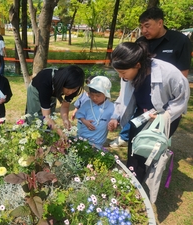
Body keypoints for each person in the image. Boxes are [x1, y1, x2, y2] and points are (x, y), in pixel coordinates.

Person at [109, 6, 192, 148]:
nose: (144, 30)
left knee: (152, 144)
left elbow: (182, 76)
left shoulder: (180, 41)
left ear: (160, 23)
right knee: (136, 135)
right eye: (141, 26)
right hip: (143, 93)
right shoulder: (141, 41)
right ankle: (127, 138)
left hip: (166, 95)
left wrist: (170, 111)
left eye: (147, 26)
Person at [108, 42, 190, 183]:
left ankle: (146, 180)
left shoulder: (168, 73)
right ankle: (133, 177)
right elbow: (124, 97)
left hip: (165, 114)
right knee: (134, 145)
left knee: (149, 147)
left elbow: (181, 99)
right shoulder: (127, 72)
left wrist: (164, 116)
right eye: (119, 73)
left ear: (138, 65)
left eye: (123, 73)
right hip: (143, 113)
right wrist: (115, 116)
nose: (122, 77)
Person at [26, 65, 85, 137]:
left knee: (51, 116)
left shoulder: (73, 86)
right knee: (34, 118)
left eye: (74, 90)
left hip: (54, 89)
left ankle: (46, 135)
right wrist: (60, 132)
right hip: (37, 90)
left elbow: (65, 106)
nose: (70, 93)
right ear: (62, 83)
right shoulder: (45, 82)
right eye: (68, 90)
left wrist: (65, 119)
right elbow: (46, 117)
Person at [76, 76, 114, 149]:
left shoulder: (111, 107)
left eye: (98, 96)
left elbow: (114, 119)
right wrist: (84, 121)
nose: (94, 98)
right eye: (92, 95)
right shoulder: (87, 103)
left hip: (98, 140)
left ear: (105, 94)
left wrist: (112, 125)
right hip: (83, 137)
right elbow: (79, 114)